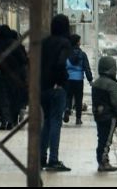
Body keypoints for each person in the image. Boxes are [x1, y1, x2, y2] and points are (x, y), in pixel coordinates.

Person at [40, 14, 73, 171]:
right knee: (55, 122)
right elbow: (61, 63)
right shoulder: (65, 43)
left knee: (46, 122)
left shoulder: (44, 42)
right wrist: (60, 82)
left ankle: (41, 157)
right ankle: (54, 159)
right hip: (56, 88)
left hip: (42, 87)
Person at [91, 56, 117, 172]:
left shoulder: (96, 83)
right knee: (107, 141)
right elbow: (115, 102)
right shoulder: (111, 84)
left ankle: (101, 161)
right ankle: (104, 162)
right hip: (109, 117)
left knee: (101, 138)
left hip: (98, 116)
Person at [64, 34, 93, 126]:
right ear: (77, 42)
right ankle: (78, 119)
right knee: (78, 99)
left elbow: (63, 66)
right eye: (79, 41)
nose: (80, 43)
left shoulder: (66, 54)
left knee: (68, 96)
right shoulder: (82, 54)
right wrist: (90, 79)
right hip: (79, 80)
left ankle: (67, 108)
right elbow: (86, 68)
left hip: (68, 79)